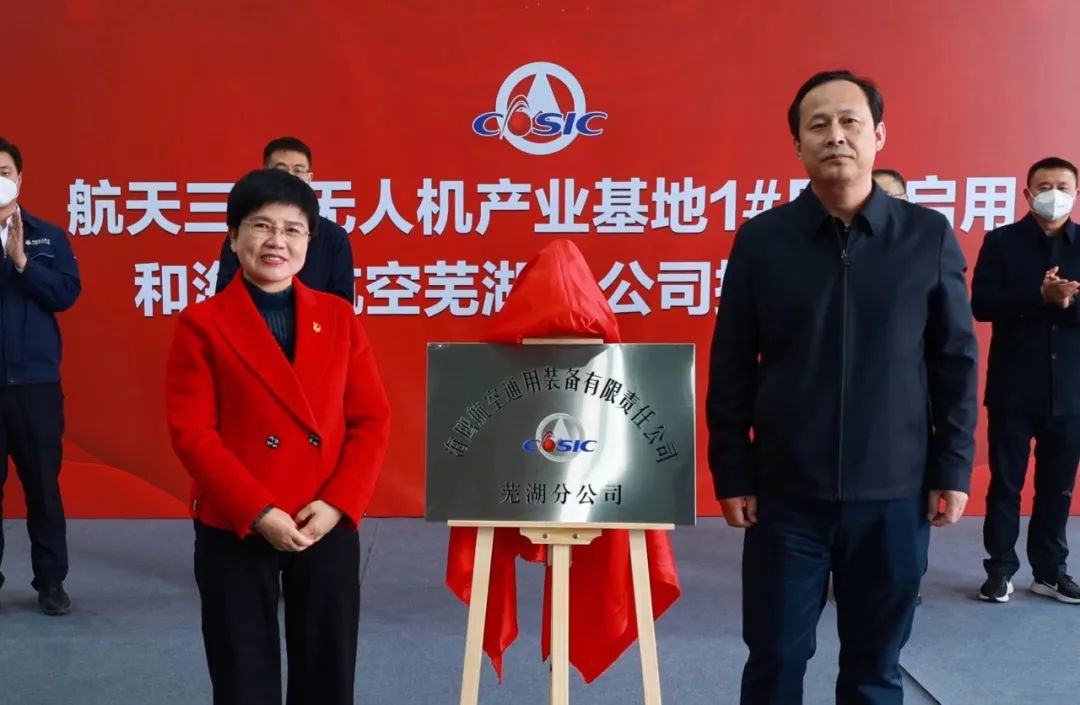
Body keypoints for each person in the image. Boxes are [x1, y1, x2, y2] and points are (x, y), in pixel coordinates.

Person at [707, 70, 978, 704]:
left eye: (850, 121)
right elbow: (732, 365)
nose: (836, 136)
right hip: (785, 497)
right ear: (797, 144)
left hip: (894, 494)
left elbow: (955, 362)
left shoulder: (926, 236)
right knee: (775, 659)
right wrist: (733, 470)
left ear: (878, 135)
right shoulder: (764, 241)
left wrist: (953, 466)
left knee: (875, 669)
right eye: (819, 124)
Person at [166, 168, 391, 704]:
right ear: (233, 237)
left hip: (322, 517)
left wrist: (339, 504)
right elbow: (193, 433)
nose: (277, 241)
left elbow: (371, 419)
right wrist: (258, 511)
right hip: (237, 519)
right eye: (261, 226)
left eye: (293, 229)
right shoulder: (201, 323)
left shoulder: (338, 318)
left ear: (310, 241)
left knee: (327, 672)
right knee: (242, 675)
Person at [972, 156, 1080, 605]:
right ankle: (999, 570)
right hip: (1013, 387)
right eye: (1044, 186)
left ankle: (1050, 571)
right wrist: (1039, 295)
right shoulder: (1001, 242)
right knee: (1006, 484)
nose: (1054, 194)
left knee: (1057, 487)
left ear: (1076, 194)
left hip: (1071, 390)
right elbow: (982, 304)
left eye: (1063, 187)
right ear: (1028, 193)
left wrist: (1067, 302)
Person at [0, 137, 81, 616]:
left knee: (43, 490)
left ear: (19, 179)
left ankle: (51, 582)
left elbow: (66, 293)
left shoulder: (47, 236)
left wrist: (22, 263)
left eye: (4, 172)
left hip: (35, 386)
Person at [215, 136, 354, 303]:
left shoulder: (334, 236)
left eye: (298, 170)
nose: (277, 242)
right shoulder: (245, 229)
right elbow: (224, 292)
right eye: (262, 226)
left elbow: (342, 299)